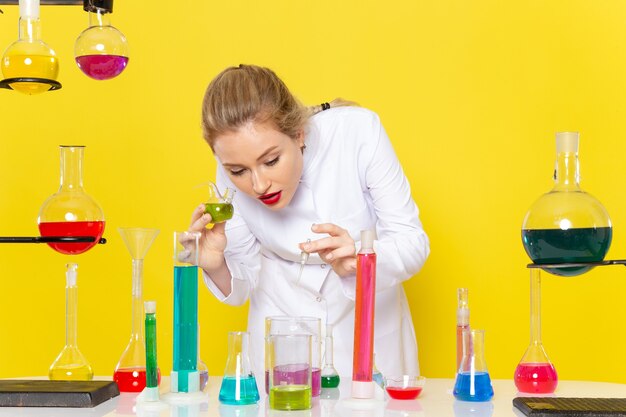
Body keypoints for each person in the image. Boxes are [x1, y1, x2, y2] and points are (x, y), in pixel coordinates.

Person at [189, 64, 430, 380]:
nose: (258, 184)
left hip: (367, 335)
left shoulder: (358, 133)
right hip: (280, 336)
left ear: (299, 134)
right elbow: (241, 286)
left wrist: (361, 259)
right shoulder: (230, 165)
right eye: (238, 171)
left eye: (271, 160)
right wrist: (215, 263)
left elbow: (413, 242)